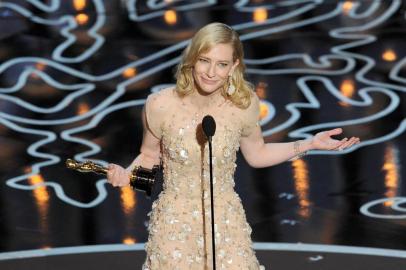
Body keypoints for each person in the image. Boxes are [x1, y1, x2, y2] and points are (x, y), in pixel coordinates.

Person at [106, 22, 360, 269]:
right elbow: (149, 156)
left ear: (234, 66)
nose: (211, 72)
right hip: (174, 224)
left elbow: (257, 154)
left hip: (225, 220)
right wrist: (127, 176)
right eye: (205, 60)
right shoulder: (160, 104)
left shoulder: (243, 103)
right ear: (192, 57)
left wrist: (309, 144)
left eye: (222, 64)